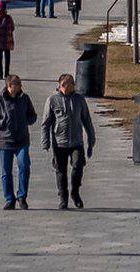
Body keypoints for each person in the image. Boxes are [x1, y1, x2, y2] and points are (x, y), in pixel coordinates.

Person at [40, 72, 96, 209]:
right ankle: (63, 197)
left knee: (78, 166)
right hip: (60, 142)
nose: (67, 87)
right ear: (60, 86)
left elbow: (86, 120)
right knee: (61, 170)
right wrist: (45, 141)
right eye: (64, 85)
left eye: (70, 84)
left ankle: (75, 192)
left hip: (77, 141)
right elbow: (46, 123)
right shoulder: (52, 100)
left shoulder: (79, 99)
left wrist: (91, 139)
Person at [0, 74, 37, 209]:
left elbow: (33, 115)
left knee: (24, 167)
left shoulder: (25, 99)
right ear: (9, 86)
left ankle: (22, 197)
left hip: (22, 141)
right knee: (6, 172)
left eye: (20, 85)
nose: (20, 87)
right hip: (5, 142)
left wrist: (26, 121)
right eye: (17, 85)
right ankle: (9, 199)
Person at [0, 0, 15, 79]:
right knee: (7, 57)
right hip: (7, 40)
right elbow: (12, 27)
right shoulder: (8, 18)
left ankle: (0, 74)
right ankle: (6, 73)